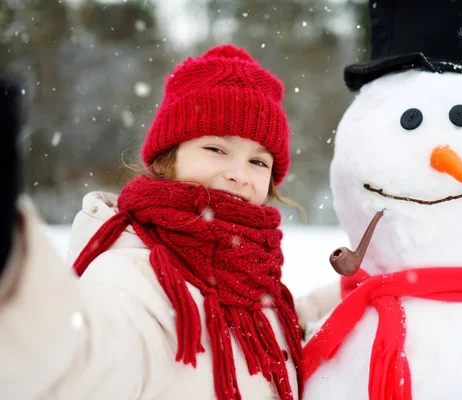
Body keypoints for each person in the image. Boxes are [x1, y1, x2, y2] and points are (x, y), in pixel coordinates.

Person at [0, 44, 339, 400]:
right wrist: (12, 265)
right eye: (216, 149)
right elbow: (86, 357)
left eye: (258, 162)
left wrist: (360, 290)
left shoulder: (252, 277)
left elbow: (276, 332)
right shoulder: (137, 271)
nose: (239, 174)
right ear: (168, 159)